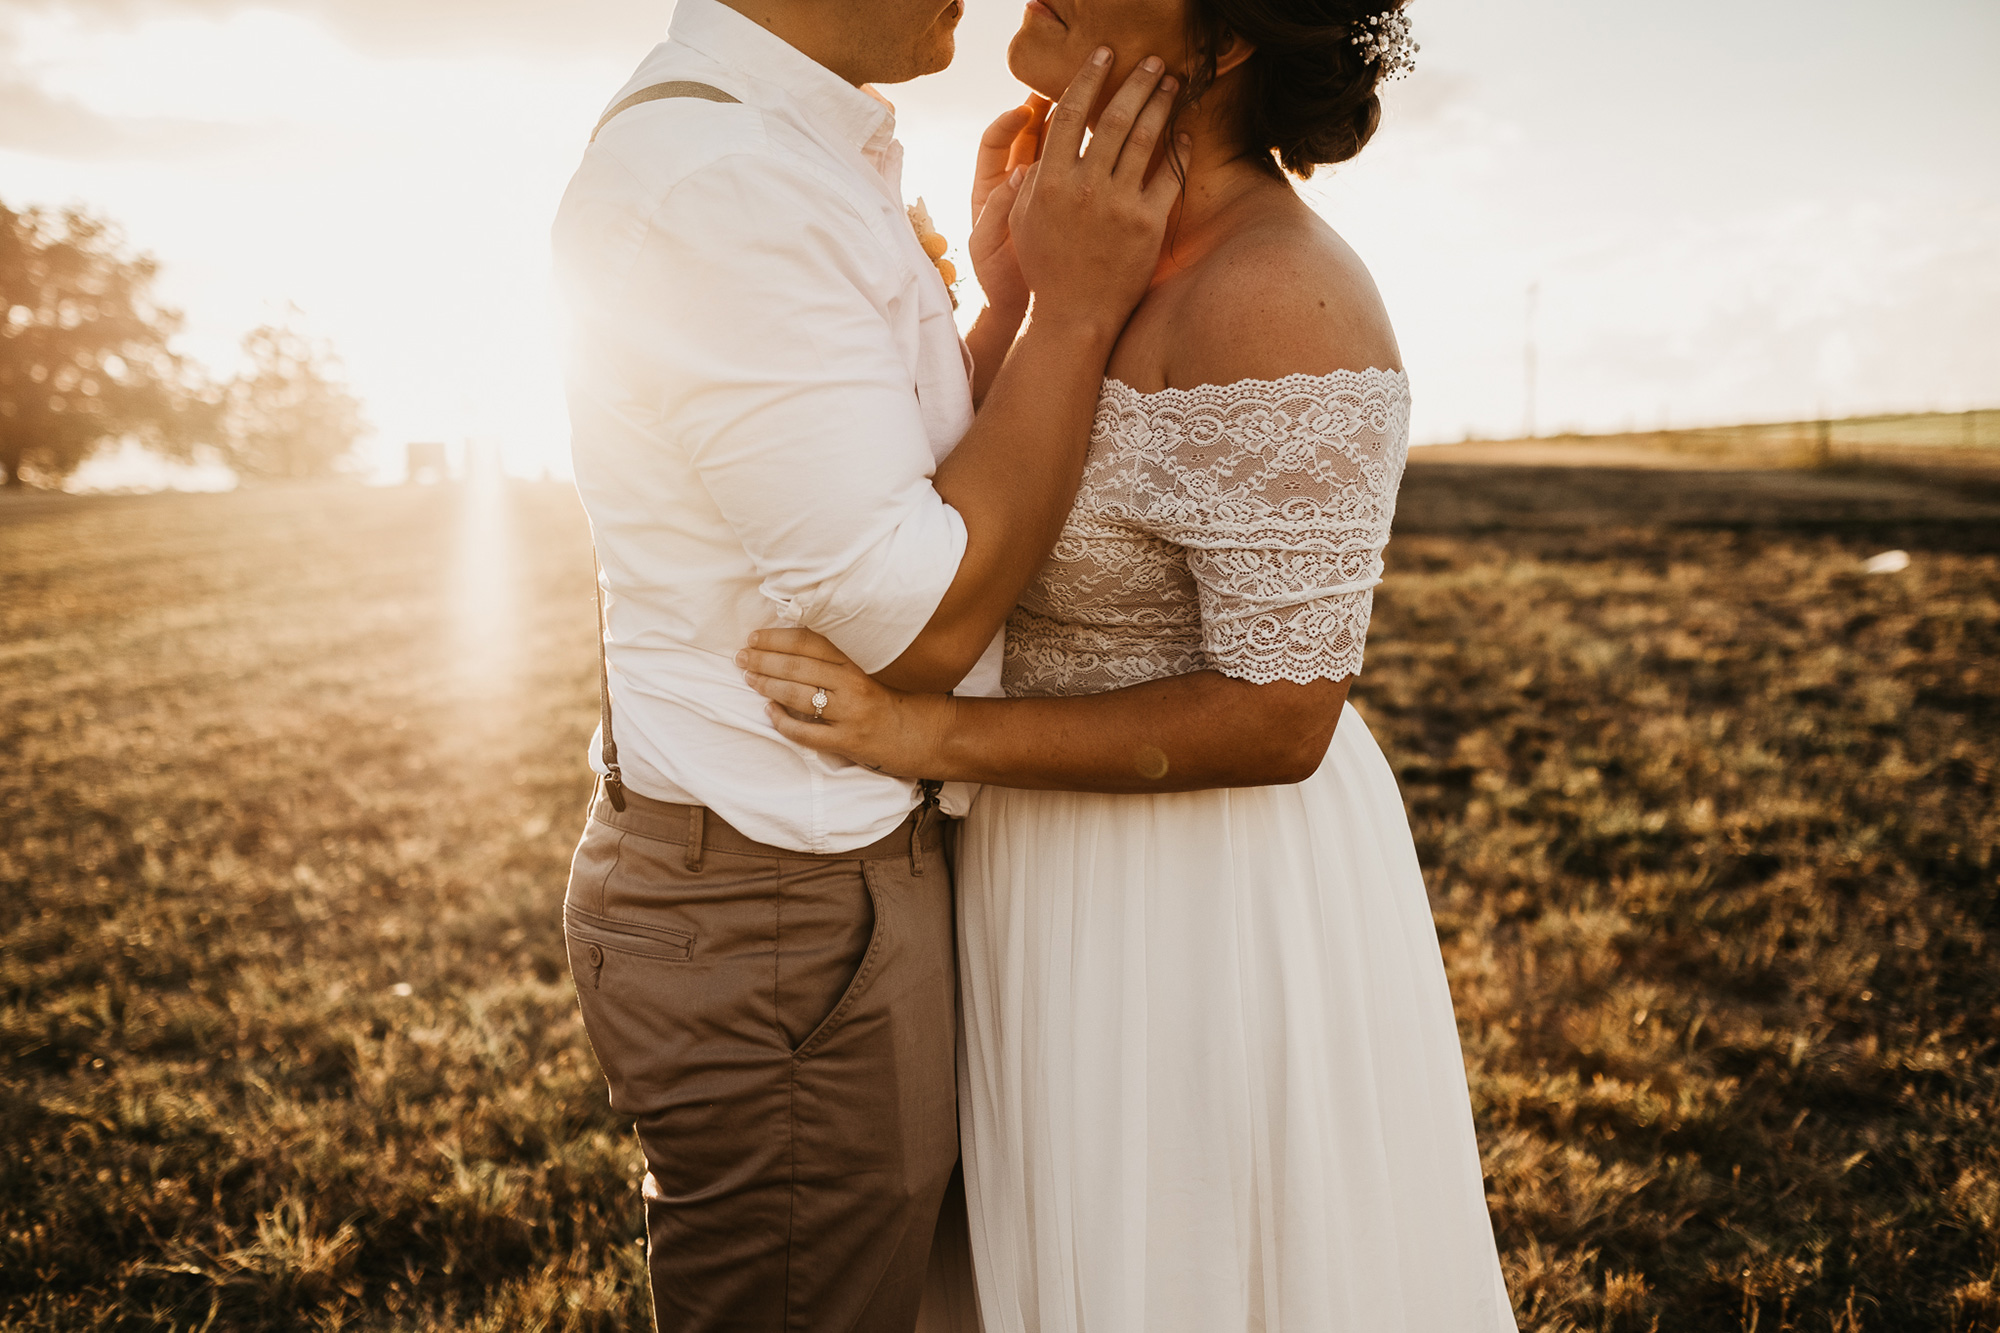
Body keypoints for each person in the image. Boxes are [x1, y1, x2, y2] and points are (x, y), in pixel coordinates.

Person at [735, 0, 1521, 1328]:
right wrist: (1019, 302)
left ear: (1220, 46)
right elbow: (956, 535)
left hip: (1201, 909)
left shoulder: (1283, 293)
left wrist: (925, 739)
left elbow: (1282, 718)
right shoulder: (1084, 246)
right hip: (1034, 881)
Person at [550, 0, 1183, 1326]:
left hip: (802, 891)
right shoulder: (729, 185)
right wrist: (1073, 309)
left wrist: (1006, 311)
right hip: (786, 917)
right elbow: (910, 622)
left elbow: (860, 490)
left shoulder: (784, 148)